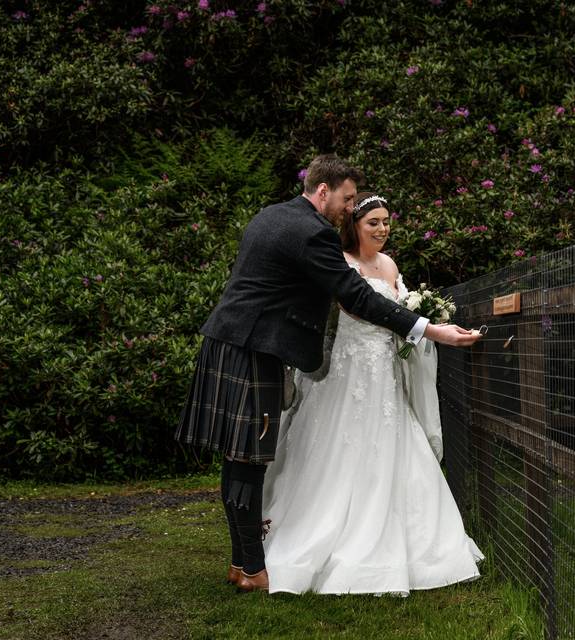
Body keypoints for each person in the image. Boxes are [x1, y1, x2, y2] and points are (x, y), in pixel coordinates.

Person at [175, 156, 480, 592]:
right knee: (250, 461)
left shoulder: (270, 216)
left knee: (237, 458)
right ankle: (253, 571)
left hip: (229, 342)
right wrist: (430, 330)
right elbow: (354, 293)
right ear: (324, 191)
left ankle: (243, 563)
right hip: (252, 349)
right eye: (348, 198)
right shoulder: (312, 231)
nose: (348, 207)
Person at [260, 192, 483, 595]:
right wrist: (419, 325)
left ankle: (419, 542)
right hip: (351, 368)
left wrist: (421, 314)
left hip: (387, 370)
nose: (382, 229)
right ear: (354, 227)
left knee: (398, 440)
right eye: (372, 223)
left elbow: (399, 310)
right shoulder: (341, 263)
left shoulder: (390, 264)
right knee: (341, 447)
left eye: (386, 222)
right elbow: (360, 308)